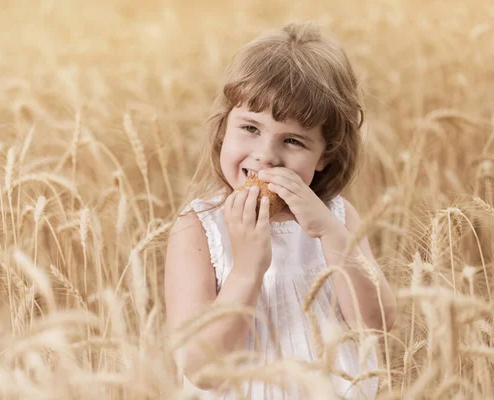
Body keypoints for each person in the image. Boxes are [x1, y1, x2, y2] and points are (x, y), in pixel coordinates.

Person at [164, 21, 397, 399]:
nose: (266, 156)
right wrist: (248, 267)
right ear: (224, 129)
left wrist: (331, 234)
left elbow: (379, 326)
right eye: (251, 128)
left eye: (293, 141)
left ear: (325, 156)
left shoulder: (338, 217)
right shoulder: (198, 229)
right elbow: (201, 368)